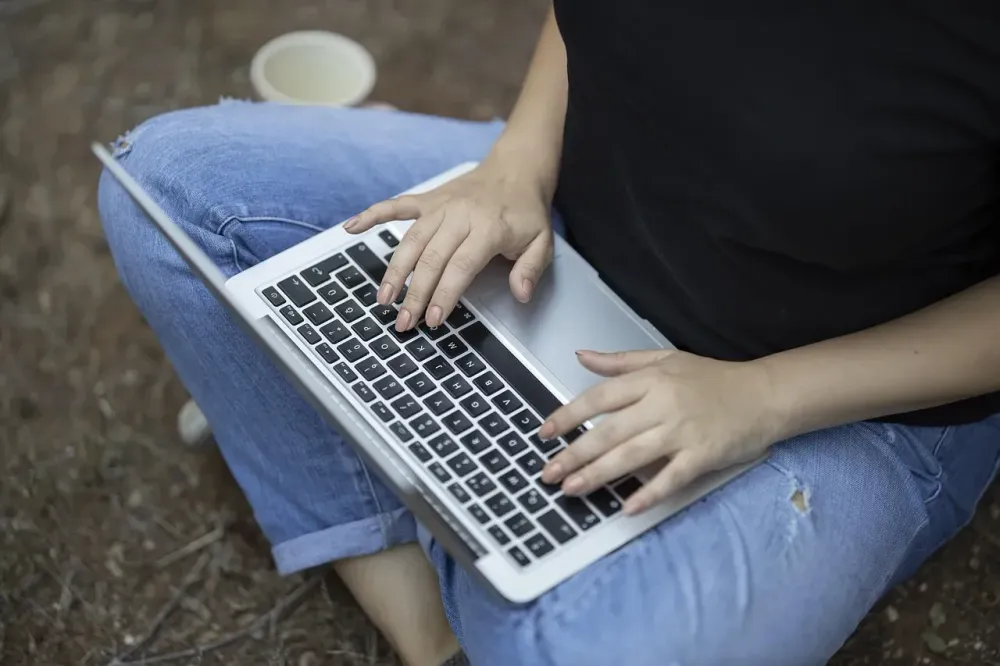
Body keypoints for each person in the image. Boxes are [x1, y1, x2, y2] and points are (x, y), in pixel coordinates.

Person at [97, 3, 1000, 665]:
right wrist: (515, 165)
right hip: (574, 222)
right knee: (171, 187)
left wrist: (763, 397)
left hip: (848, 397)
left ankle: (349, 434)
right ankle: (429, 629)